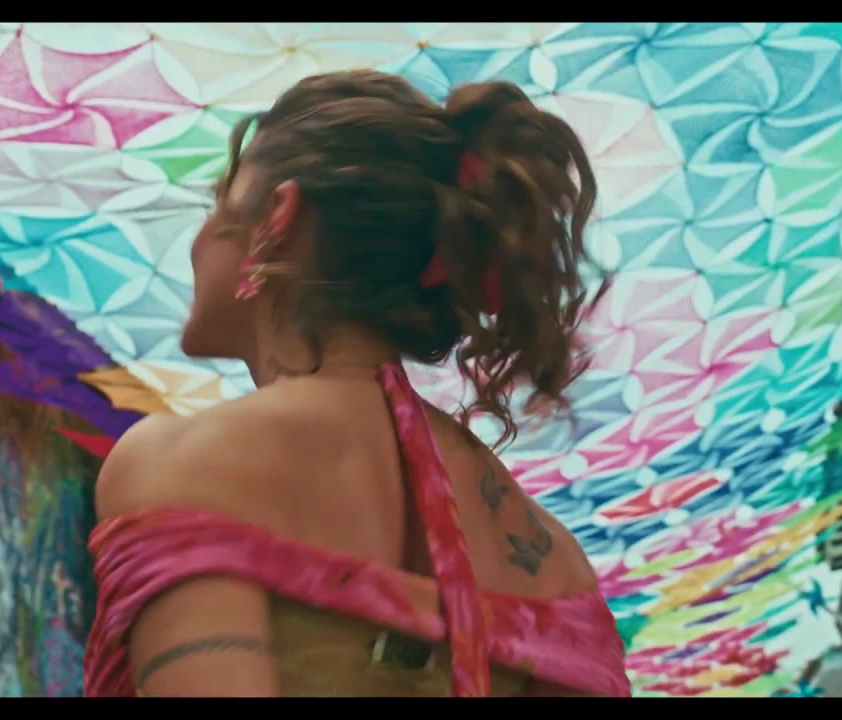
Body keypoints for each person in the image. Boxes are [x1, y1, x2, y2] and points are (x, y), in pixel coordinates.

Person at [83, 70, 630, 698]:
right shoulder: (557, 564)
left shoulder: (182, 462)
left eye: (217, 207)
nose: (200, 239)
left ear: (278, 218)